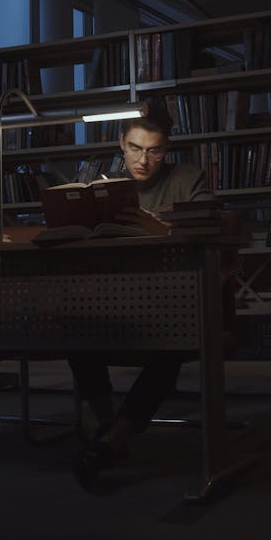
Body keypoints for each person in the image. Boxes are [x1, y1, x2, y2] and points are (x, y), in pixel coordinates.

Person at [69, 107, 212, 489]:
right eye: (134, 149)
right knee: (74, 325)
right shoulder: (106, 186)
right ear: (121, 144)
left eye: (155, 151)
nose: (143, 160)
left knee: (172, 344)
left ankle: (115, 438)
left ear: (167, 148)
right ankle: (105, 424)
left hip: (172, 299)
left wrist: (163, 230)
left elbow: (210, 234)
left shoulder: (187, 179)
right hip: (114, 297)